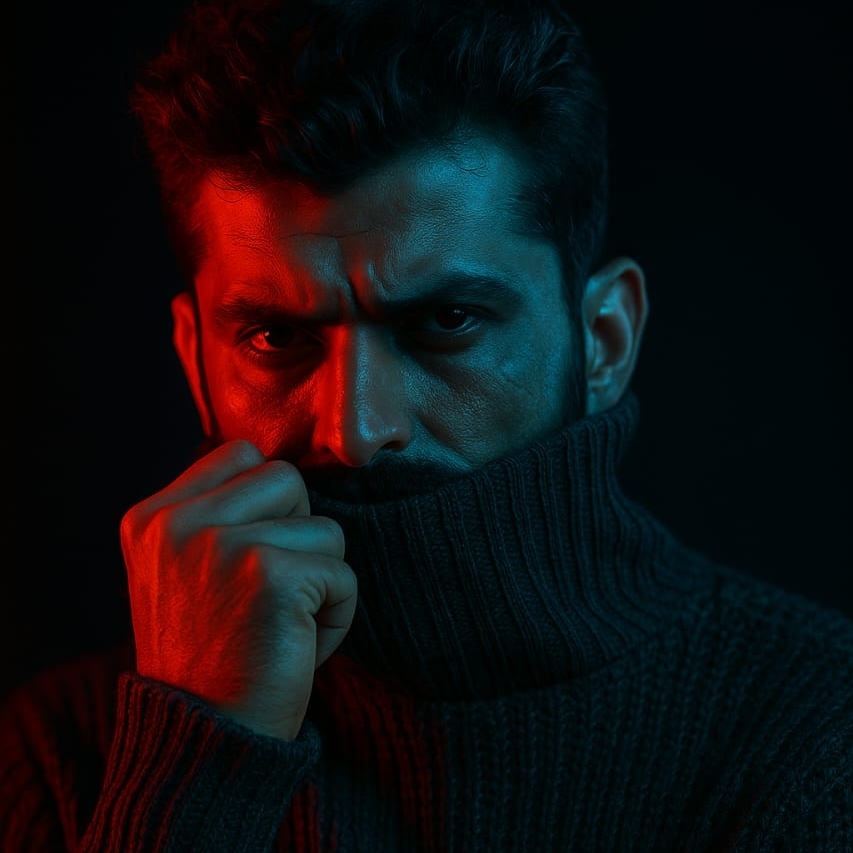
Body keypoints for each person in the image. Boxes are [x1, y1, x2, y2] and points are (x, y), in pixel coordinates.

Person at [3, 0, 852, 849]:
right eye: (277, 339)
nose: (354, 429)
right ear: (194, 361)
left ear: (603, 340)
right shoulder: (65, 753)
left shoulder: (817, 735)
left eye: (446, 320)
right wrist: (194, 763)